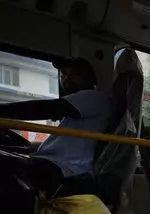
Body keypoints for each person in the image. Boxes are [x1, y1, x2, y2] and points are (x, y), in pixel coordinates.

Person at [0, 57, 111, 196]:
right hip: (53, 164)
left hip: (64, 170)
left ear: (91, 79)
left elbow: (45, 108)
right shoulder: (78, 114)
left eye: (76, 74)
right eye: (63, 73)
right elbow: (48, 147)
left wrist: (2, 111)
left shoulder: (93, 97)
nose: (67, 78)